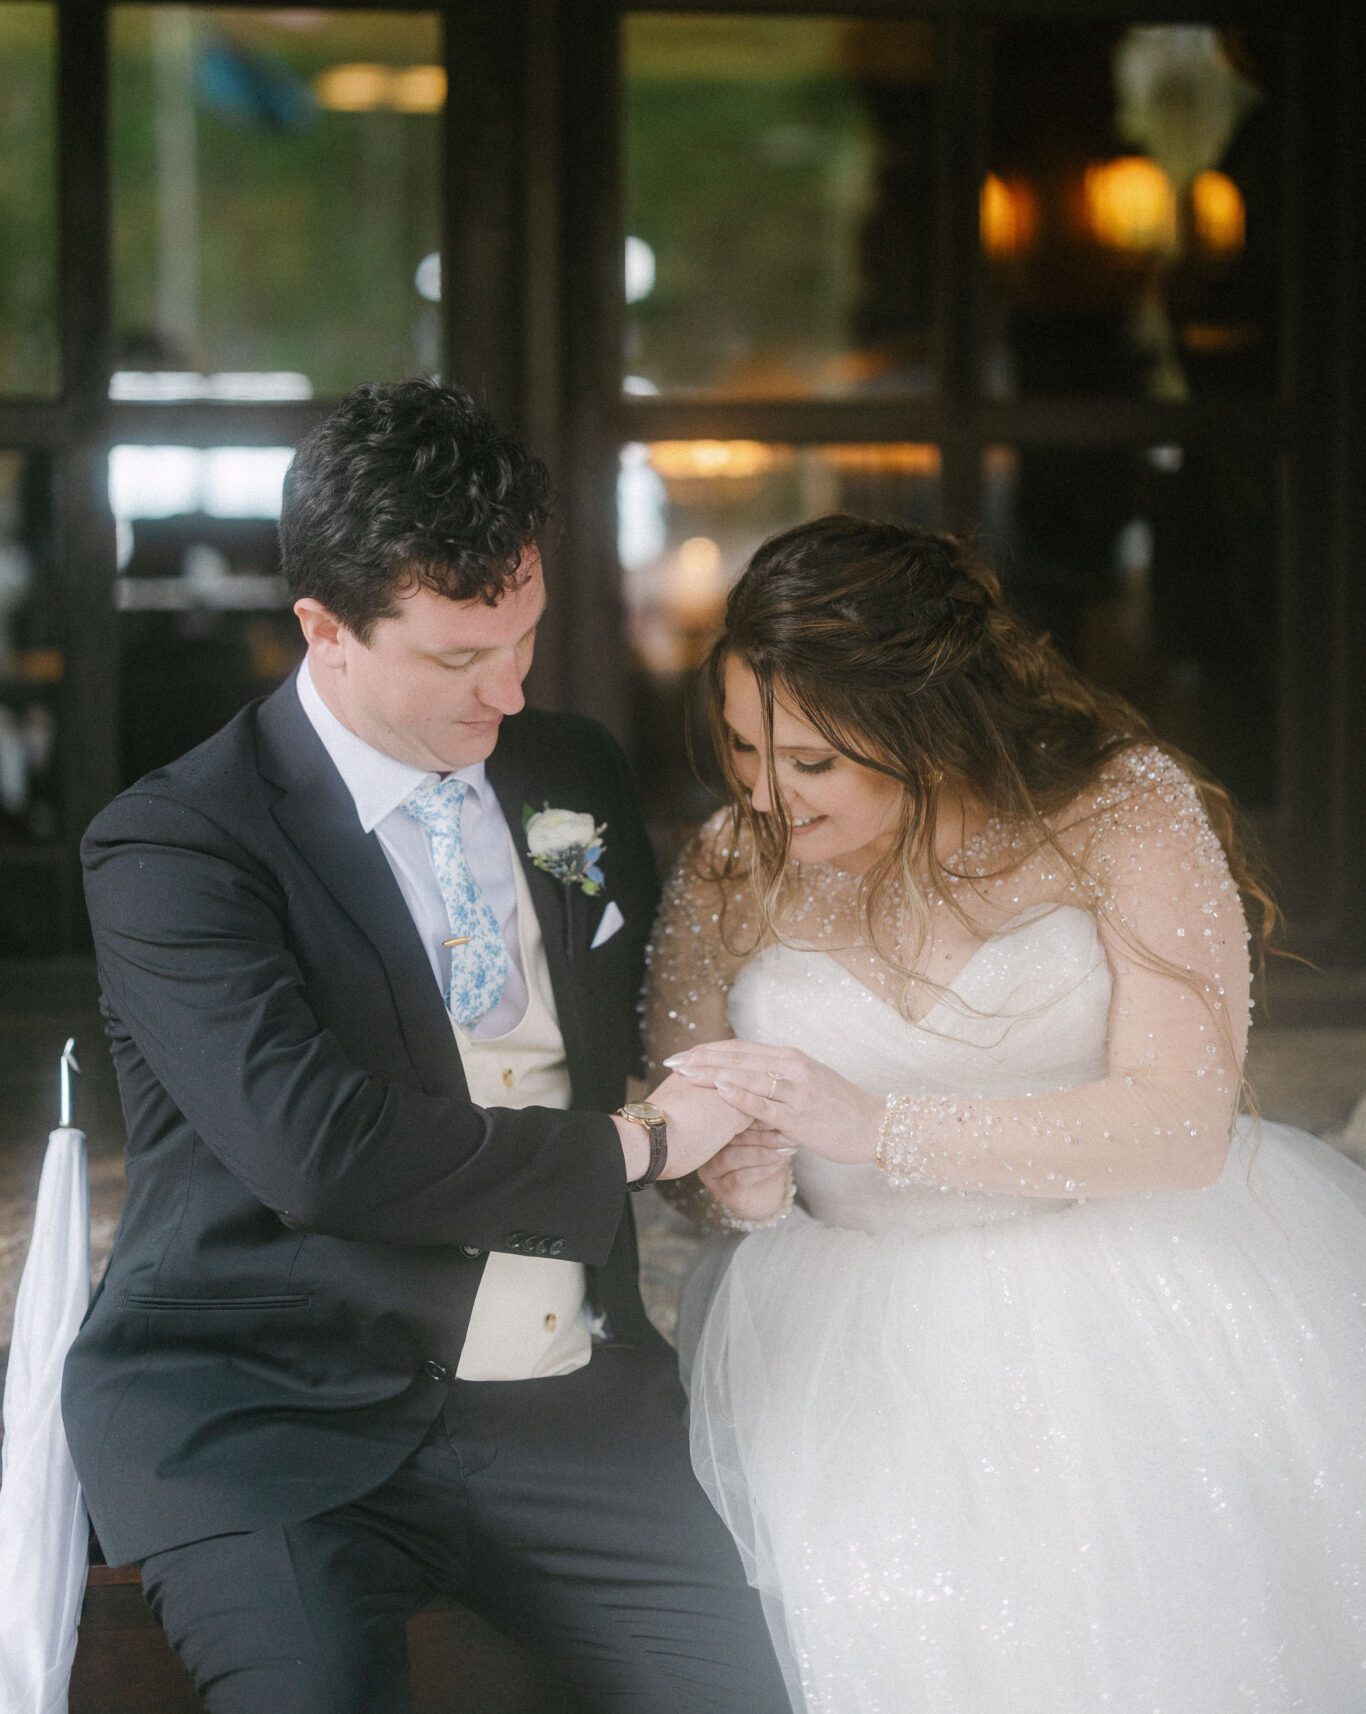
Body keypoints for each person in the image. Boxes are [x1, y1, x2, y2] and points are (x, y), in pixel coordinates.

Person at [63, 381, 790, 1714]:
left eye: (521, 637)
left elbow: (628, 1006)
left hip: (571, 1402)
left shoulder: (567, 772)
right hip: (271, 1409)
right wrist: (643, 1142)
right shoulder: (178, 845)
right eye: (459, 659)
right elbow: (320, 1150)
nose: (506, 689)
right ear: (323, 630)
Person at [644, 513, 1366, 1714]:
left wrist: (875, 1125)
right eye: (741, 749)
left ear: (926, 729)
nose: (768, 796)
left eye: (811, 761)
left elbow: (1182, 1123)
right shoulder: (728, 864)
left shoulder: (1121, 810)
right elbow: (682, 1122)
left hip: (1137, 1310)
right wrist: (732, 1171)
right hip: (839, 1347)